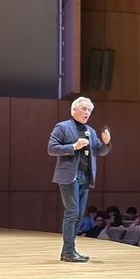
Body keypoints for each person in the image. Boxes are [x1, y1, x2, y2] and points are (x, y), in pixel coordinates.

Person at [48, 96, 112, 263]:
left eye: (89, 110)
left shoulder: (90, 131)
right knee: (72, 212)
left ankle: (68, 251)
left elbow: (100, 151)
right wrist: (73, 147)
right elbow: (51, 148)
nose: (87, 113)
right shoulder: (62, 127)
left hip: (86, 177)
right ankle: (69, 251)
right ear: (74, 109)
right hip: (69, 177)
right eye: (84, 109)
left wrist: (106, 143)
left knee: (78, 215)